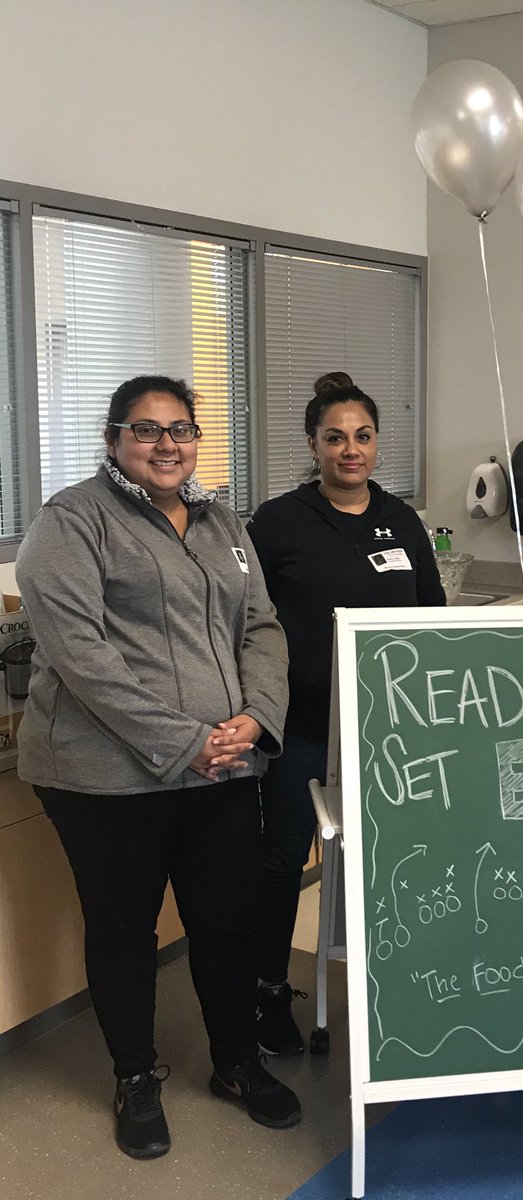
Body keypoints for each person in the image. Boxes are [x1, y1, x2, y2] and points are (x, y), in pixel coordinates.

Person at [15, 375, 302, 1160]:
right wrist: (187, 741)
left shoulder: (222, 522)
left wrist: (254, 718)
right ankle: (135, 1077)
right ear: (113, 440)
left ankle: (236, 1063)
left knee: (226, 918)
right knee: (124, 927)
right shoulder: (70, 522)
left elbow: (264, 627)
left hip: (222, 766)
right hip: (107, 776)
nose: (167, 445)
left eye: (181, 429)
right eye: (146, 430)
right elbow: (81, 658)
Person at [247, 372, 445, 1054]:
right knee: (281, 861)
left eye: (362, 437)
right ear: (313, 444)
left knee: (401, 861)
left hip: (387, 734)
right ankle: (269, 992)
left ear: (377, 445)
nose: (350, 450)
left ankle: (404, 985)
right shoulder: (276, 523)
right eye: (335, 438)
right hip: (301, 730)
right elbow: (248, 622)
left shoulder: (402, 520)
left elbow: (433, 622)